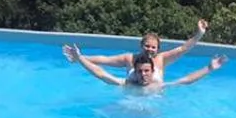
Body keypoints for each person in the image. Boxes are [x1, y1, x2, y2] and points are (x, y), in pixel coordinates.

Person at [69, 19, 208, 83]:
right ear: (141, 45)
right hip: (132, 96)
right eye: (147, 46)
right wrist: (81, 58)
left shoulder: (161, 59)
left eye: (153, 47)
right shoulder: (129, 59)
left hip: (154, 97)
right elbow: (104, 60)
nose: (150, 49)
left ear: (158, 49)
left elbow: (183, 49)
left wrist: (199, 34)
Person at [63, 44, 227, 91]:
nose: (143, 74)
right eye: (140, 71)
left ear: (152, 71)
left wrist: (209, 68)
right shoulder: (127, 84)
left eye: (146, 71)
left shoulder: (158, 86)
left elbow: (187, 80)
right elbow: (100, 73)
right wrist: (80, 58)